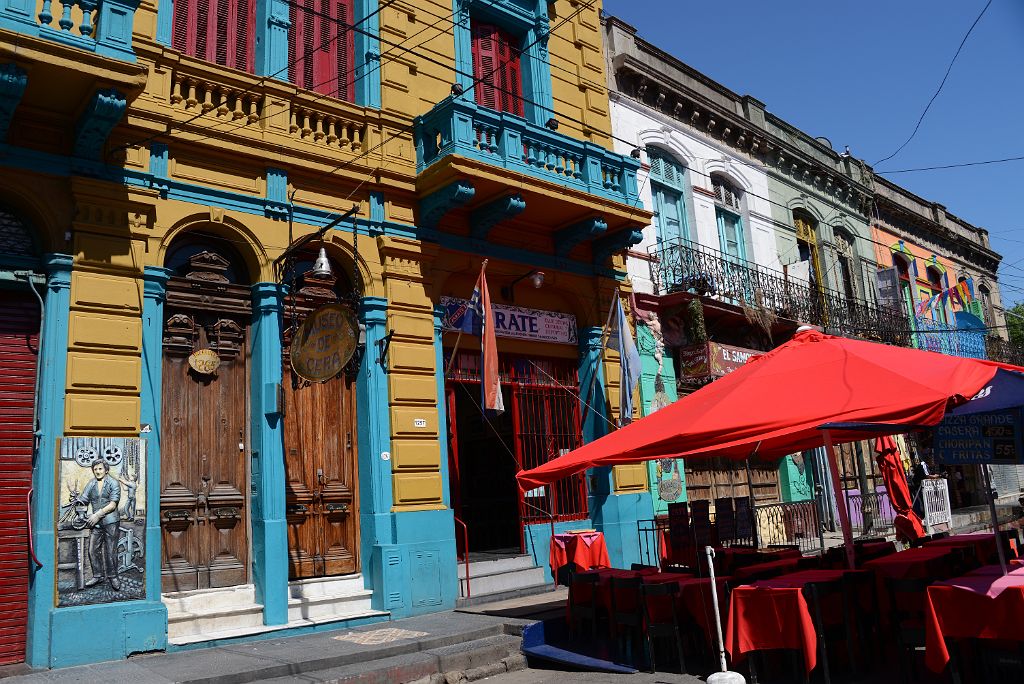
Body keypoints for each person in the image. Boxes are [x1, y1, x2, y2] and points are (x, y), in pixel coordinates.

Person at [81, 459, 122, 591]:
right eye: (95, 469)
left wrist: (97, 515)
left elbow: (112, 505)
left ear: (106, 470)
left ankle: (113, 576)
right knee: (92, 550)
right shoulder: (91, 483)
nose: (97, 471)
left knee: (110, 551)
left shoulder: (113, 483)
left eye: (100, 469)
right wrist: (78, 502)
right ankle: (98, 575)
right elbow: (84, 499)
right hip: (96, 523)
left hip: (111, 522)